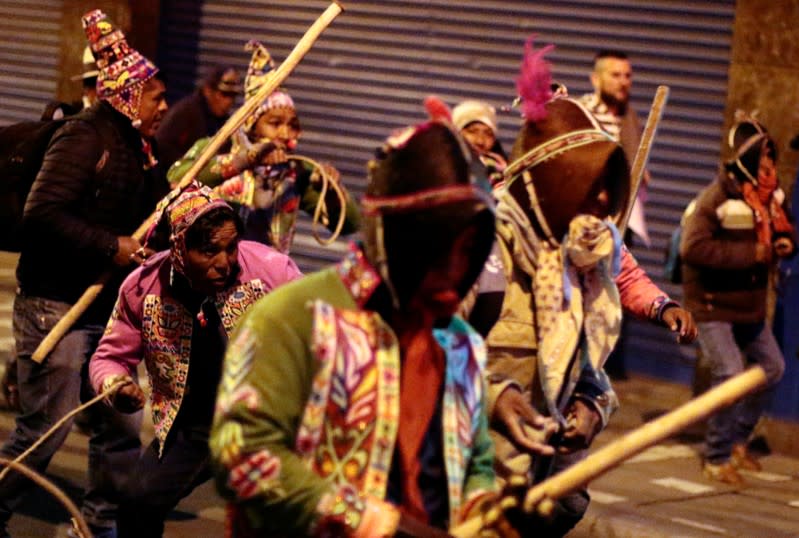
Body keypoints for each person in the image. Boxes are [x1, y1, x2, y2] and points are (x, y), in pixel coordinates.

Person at [208, 106, 534, 536]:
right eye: (439, 245)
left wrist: (485, 506)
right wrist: (369, 522)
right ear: (391, 235)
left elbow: (475, 461)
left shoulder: (461, 344)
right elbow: (241, 456)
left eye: (469, 248)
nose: (456, 267)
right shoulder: (289, 319)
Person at [471, 40, 697, 537]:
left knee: (566, 507)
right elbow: (422, 356)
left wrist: (594, 406)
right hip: (474, 480)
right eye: (585, 181)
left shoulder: (591, 248)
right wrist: (492, 397)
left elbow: (591, 351)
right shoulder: (479, 245)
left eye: (606, 183)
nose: (600, 199)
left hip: (542, 479)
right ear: (544, 180)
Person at [0, 10, 169, 538]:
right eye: (155, 96)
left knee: (120, 427)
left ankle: (100, 528)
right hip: (55, 304)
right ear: (126, 94)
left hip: (109, 312)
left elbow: (157, 212)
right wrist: (110, 245)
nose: (165, 105)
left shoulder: (143, 150)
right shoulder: (82, 138)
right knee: (43, 432)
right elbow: (41, 213)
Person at [89, 185, 301, 538]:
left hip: (271, 418)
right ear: (179, 249)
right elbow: (109, 357)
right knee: (138, 504)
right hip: (195, 423)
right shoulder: (142, 288)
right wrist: (114, 385)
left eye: (231, 247)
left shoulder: (270, 271)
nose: (225, 261)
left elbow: (320, 329)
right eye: (209, 251)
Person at [681, 113, 792, 485]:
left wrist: (784, 244)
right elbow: (692, 249)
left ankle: (738, 441)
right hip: (712, 304)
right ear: (745, 161)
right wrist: (753, 255)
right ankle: (716, 455)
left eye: (771, 160)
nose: (768, 168)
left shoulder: (771, 200)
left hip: (748, 307)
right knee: (729, 373)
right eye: (761, 160)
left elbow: (783, 233)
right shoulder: (717, 197)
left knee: (773, 367)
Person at [167, 41, 360, 253]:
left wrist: (332, 192)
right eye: (275, 124)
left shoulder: (296, 172)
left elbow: (351, 225)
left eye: (292, 126)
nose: (285, 134)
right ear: (252, 126)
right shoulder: (218, 148)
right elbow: (177, 179)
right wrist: (249, 159)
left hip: (268, 282)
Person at [579, 49, 650, 380]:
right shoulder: (580, 113)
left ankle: (607, 365)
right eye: (615, 75)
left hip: (622, 219)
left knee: (616, 289)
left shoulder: (630, 118)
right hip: (586, 218)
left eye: (627, 76)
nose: (624, 82)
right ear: (596, 78)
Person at [156, 64, 242, 168]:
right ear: (208, 91)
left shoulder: (225, 121)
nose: (229, 102)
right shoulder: (186, 112)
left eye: (233, 96)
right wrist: (184, 167)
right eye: (224, 94)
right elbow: (162, 143)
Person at [452, 99, 508, 190]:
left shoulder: (500, 170)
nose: (480, 141)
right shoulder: (444, 166)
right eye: (472, 131)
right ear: (456, 132)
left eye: (488, 134)